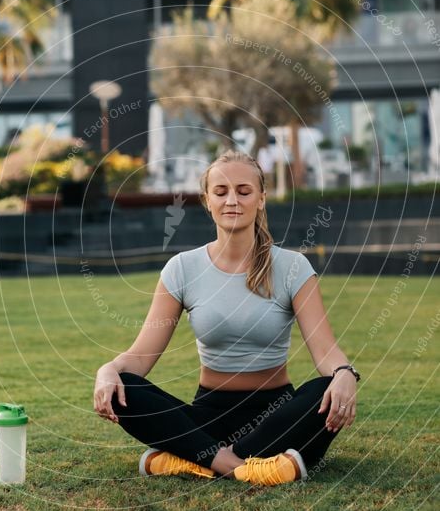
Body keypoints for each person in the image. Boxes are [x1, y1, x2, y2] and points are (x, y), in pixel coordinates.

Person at [93, 149, 360, 486]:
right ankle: (249, 466)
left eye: (244, 191)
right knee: (126, 387)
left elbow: (325, 352)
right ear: (207, 200)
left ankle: (196, 459)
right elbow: (140, 357)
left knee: (325, 390)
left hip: (276, 411)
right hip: (207, 415)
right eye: (221, 192)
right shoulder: (182, 269)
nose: (232, 200)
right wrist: (107, 371)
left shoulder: (293, 268)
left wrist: (345, 374)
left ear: (261, 199)